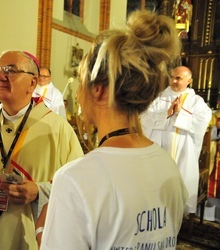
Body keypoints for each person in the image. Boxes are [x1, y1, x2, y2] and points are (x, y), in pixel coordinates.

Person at [40, 10, 188, 249]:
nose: (78, 93)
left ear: (98, 90)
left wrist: (41, 230)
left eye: (81, 81)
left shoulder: (75, 180)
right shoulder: (167, 165)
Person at [0, 50, 84, 250]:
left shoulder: (58, 129)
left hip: (26, 238)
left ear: (33, 83)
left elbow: (79, 187)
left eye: (11, 70)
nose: (1, 76)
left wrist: (40, 190)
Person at [141, 66, 212, 215]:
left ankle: (176, 223)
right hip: (159, 152)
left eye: (178, 78)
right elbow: (144, 119)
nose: (173, 81)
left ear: (189, 81)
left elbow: (203, 120)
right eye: (172, 77)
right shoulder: (158, 98)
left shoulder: (196, 102)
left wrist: (180, 114)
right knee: (155, 192)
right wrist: (166, 114)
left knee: (178, 195)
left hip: (183, 153)